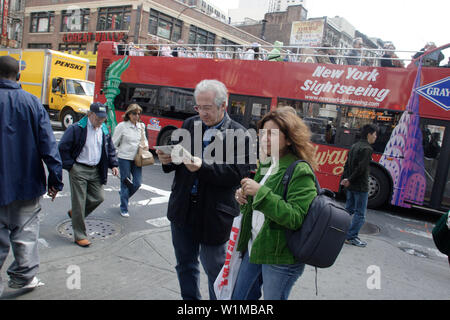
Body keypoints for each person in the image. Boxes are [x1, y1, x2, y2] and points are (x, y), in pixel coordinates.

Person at [156, 79, 253, 300]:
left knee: (215, 271)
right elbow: (179, 158)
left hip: (214, 215)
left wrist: (202, 166)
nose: (202, 113)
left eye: (207, 107)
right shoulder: (190, 124)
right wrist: (167, 159)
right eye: (198, 107)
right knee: (185, 265)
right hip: (182, 210)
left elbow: (237, 175)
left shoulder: (239, 134)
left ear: (223, 105)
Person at [231, 107, 317, 300]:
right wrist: (244, 197)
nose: (264, 138)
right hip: (256, 246)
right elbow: (257, 206)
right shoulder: (269, 163)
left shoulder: (300, 169)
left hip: (281, 257)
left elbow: (295, 217)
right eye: (262, 133)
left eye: (272, 134)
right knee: (239, 297)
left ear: (288, 139)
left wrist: (261, 192)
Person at [0, 56, 63, 293]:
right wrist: (55, 180)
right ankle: (23, 278)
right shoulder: (32, 103)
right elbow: (49, 145)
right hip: (26, 184)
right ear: (18, 76)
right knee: (25, 234)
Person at [58, 102, 119, 247]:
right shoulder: (77, 128)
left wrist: (114, 164)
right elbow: (62, 148)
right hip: (79, 168)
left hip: (96, 169)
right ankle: (80, 235)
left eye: (103, 119)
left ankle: (76, 214)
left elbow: (109, 148)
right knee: (79, 201)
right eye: (98, 118)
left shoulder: (103, 129)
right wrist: (71, 166)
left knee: (99, 197)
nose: (100, 122)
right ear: (90, 114)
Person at [340, 124, 378, 247]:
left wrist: (346, 179)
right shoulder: (367, 149)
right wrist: (350, 179)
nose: (376, 137)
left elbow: (346, 165)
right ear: (369, 134)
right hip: (360, 186)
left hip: (351, 185)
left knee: (348, 209)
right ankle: (351, 236)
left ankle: (339, 230)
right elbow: (361, 169)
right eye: (375, 134)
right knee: (360, 214)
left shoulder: (354, 145)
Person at [112, 104, 147, 217]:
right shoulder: (122, 126)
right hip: (124, 158)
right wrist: (113, 160)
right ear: (128, 114)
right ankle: (124, 208)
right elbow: (114, 143)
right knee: (126, 183)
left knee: (137, 183)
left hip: (137, 158)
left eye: (138, 113)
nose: (136, 116)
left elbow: (145, 141)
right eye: (134, 113)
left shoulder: (141, 126)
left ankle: (123, 195)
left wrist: (144, 146)